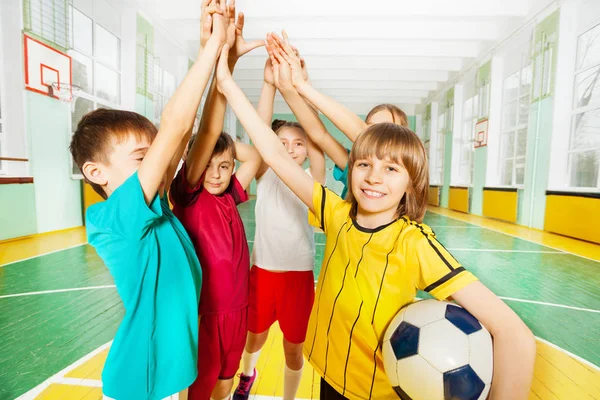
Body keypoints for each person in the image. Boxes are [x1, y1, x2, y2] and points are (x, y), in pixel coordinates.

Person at [215, 44, 536, 400]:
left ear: (411, 182)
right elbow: (273, 153)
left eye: (391, 169)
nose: (374, 177)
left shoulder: (415, 243)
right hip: (329, 381)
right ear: (351, 168)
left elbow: (514, 335)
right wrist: (228, 83)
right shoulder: (335, 214)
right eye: (364, 164)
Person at [68, 1, 227, 398]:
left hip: (168, 376)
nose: (155, 163)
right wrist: (208, 49)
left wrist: (220, 61)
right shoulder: (114, 218)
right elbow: (175, 126)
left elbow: (194, 132)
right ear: (96, 173)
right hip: (139, 381)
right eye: (142, 157)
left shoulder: (158, 208)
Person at [169, 1, 263, 398]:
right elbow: (207, 132)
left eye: (224, 167)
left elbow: (258, 154)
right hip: (204, 312)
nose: (216, 173)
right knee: (201, 386)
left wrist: (227, 151)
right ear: (193, 164)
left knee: (227, 378)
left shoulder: (230, 195)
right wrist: (225, 61)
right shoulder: (188, 193)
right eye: (208, 164)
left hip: (237, 308)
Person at [234, 55, 325, 400]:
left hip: (297, 276)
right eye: (282, 143)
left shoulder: (311, 179)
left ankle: (289, 397)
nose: (291, 149)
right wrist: (268, 85)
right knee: (253, 337)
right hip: (263, 271)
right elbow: (259, 132)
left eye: (298, 144)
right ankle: (247, 374)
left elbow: (317, 138)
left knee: (293, 347)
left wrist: (298, 86)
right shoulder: (263, 169)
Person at [267, 32, 409, 199]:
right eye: (372, 128)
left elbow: (360, 132)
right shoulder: (355, 166)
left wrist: (302, 85)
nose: (376, 136)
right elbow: (319, 134)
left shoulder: (407, 173)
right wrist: (291, 88)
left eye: (388, 130)